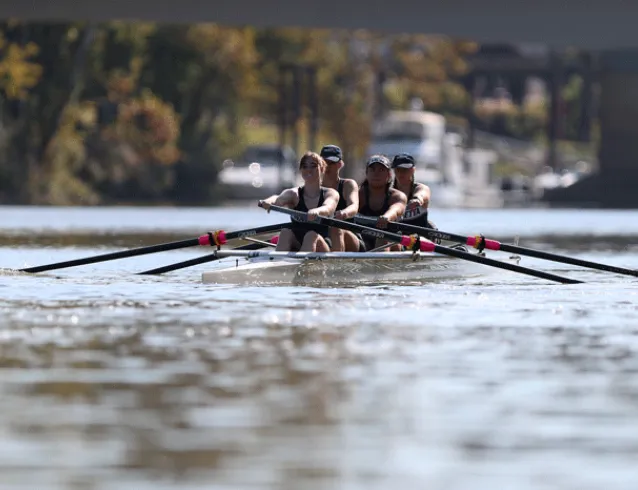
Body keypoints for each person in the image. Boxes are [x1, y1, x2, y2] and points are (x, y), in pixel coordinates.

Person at [259, 151, 339, 252]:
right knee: (285, 232)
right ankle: (278, 264)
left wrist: (317, 211)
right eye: (304, 166)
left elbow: (328, 208)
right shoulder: (294, 194)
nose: (308, 169)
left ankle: (303, 266)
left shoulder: (331, 193)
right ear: (301, 170)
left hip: (321, 244)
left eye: (313, 165)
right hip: (297, 242)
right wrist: (268, 201)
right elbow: (277, 199)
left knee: (310, 236)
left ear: (322, 169)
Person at [319, 144, 365, 252]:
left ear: (340, 164)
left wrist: (344, 213)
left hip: (351, 237)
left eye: (331, 163)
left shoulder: (348, 184)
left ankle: (336, 267)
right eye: (323, 162)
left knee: (335, 228)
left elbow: (353, 206)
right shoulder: (314, 188)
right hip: (325, 237)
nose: (327, 166)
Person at [358, 154, 407, 251]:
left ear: (388, 175)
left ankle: (381, 265)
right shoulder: (358, 195)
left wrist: (387, 217)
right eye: (372, 169)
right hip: (363, 240)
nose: (376, 174)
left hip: (390, 241)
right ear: (367, 173)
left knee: (383, 237)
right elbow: (349, 207)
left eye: (381, 170)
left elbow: (396, 209)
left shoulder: (397, 196)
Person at [391, 152, 438, 231]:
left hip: (420, 238)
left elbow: (423, 194)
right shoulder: (388, 192)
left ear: (413, 170)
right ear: (394, 171)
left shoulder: (421, 188)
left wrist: (417, 199)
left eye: (405, 170)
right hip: (395, 240)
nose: (402, 173)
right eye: (398, 169)